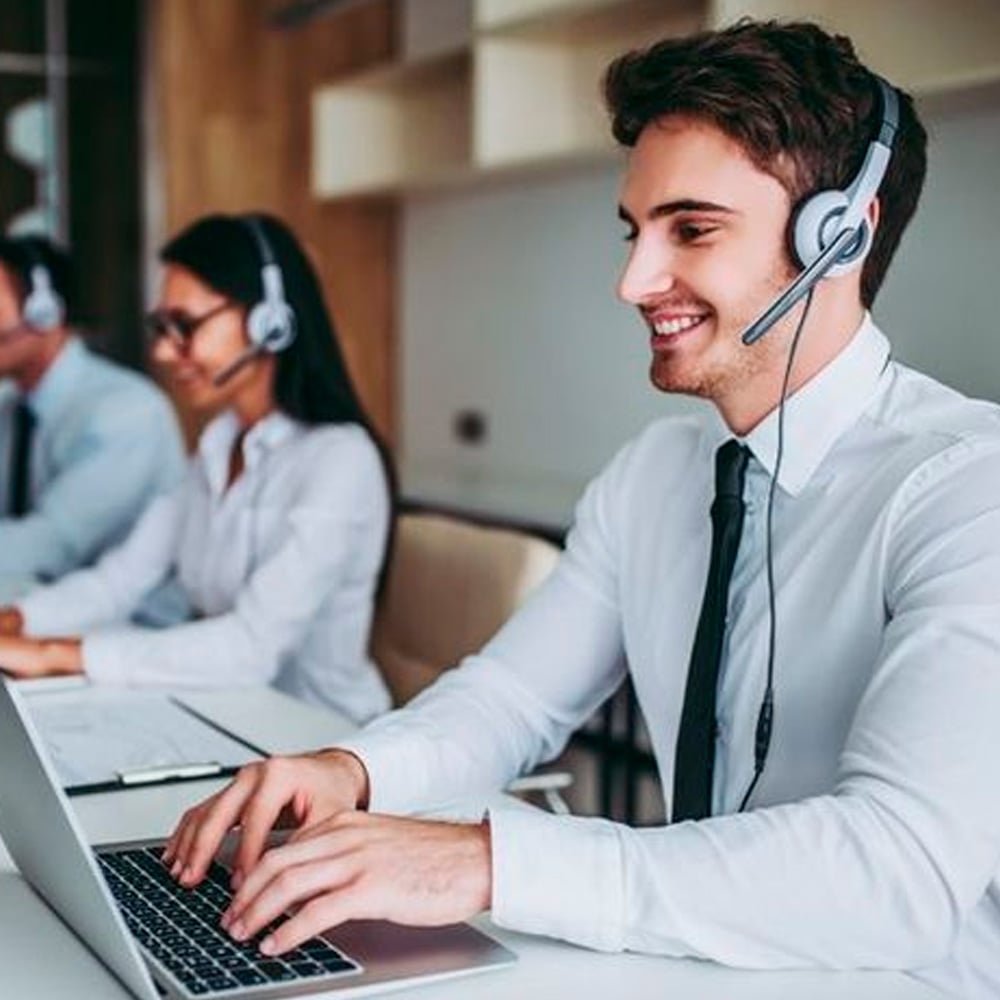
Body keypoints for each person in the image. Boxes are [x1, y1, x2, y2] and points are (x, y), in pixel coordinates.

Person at [162, 22, 1000, 1000]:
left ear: (837, 238)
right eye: (634, 230)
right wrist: (353, 768)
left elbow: (893, 874)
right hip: (681, 960)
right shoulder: (652, 472)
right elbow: (512, 700)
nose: (633, 281)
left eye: (690, 229)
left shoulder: (965, 491)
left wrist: (482, 860)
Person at [0, 213, 395, 724]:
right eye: (161, 328)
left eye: (184, 326)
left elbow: (252, 647)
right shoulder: (216, 447)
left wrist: (55, 653)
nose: (165, 351)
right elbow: (118, 581)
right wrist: (18, 620)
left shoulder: (340, 459)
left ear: (268, 321)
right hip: (223, 715)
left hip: (322, 734)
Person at [0, 235, 184, 595]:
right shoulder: (10, 406)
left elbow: (53, 544)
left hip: (134, 622)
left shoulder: (128, 411)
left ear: (43, 310)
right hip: (42, 603)